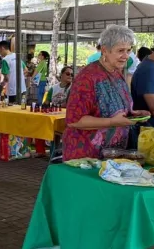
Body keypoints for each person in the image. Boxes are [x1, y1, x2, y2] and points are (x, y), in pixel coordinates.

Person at [63, 25, 149, 160]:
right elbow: (74, 121)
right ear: (104, 50)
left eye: (128, 50)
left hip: (113, 156)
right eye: (120, 50)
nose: (126, 56)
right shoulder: (87, 77)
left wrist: (133, 114)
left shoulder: (117, 73)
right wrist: (112, 122)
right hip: (87, 157)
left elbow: (116, 108)